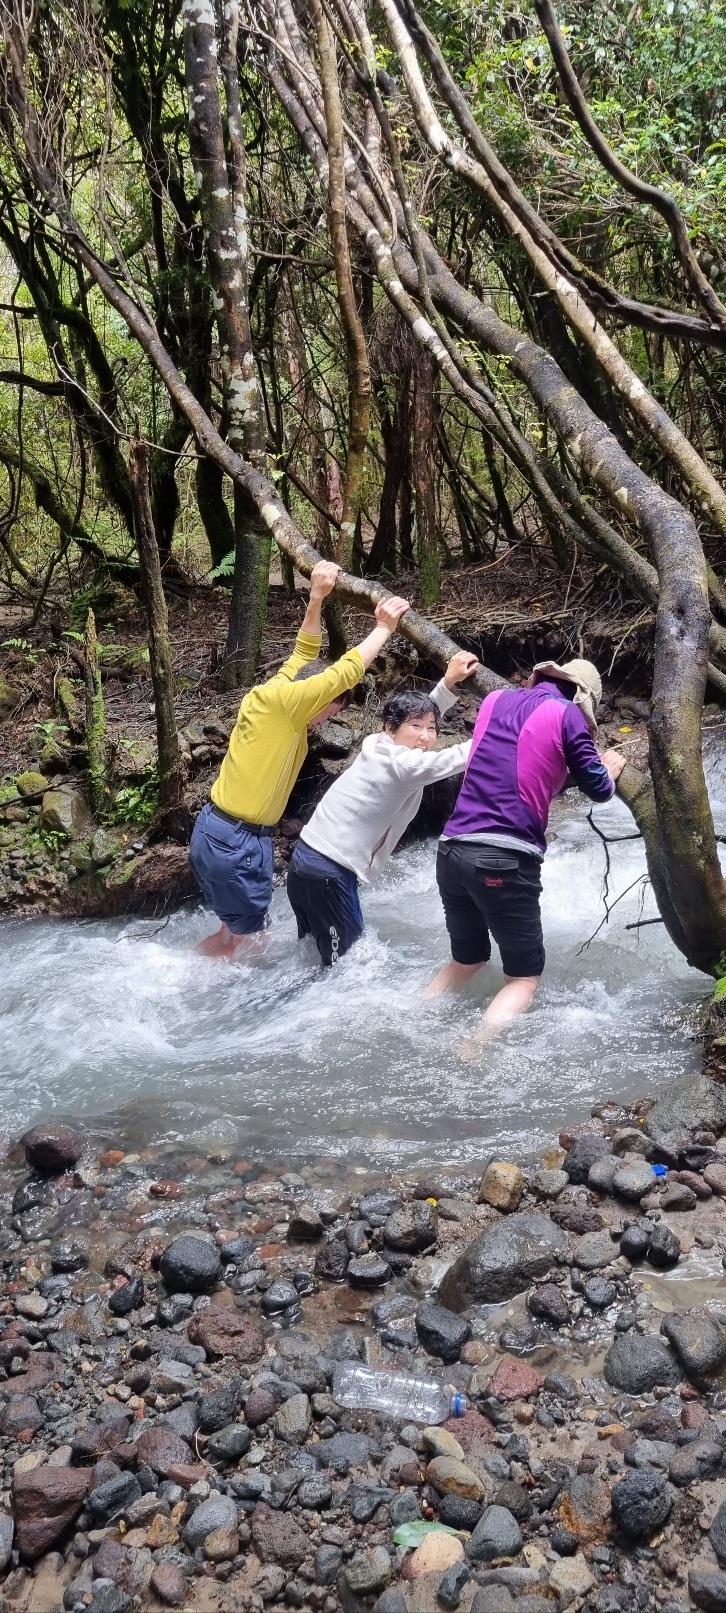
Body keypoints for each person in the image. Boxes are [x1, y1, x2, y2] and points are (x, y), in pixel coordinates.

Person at [189, 561, 410, 958]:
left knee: (231, 933)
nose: (322, 721)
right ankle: (210, 992)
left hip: (214, 831)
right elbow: (344, 673)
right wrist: (383, 627)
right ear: (316, 697)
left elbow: (304, 652)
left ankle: (185, 970)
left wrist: (317, 597)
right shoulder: (289, 705)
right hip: (237, 843)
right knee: (251, 945)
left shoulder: (273, 691)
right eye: (329, 711)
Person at [426, 657, 626, 1041]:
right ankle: (474, 1047)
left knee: (466, 961)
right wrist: (608, 770)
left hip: (451, 850)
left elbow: (521, 762)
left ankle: (417, 1016)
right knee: (523, 978)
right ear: (582, 698)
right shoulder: (568, 714)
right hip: (503, 860)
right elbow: (599, 789)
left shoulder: (494, 700)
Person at [286, 649, 480, 965]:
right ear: (391, 727)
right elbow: (456, 757)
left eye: (432, 728)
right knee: (344, 966)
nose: (425, 736)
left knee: (310, 957)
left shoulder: (380, 745)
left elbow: (420, 718)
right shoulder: (403, 764)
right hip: (328, 872)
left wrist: (447, 684)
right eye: (416, 727)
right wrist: (502, 724)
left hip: (306, 862)